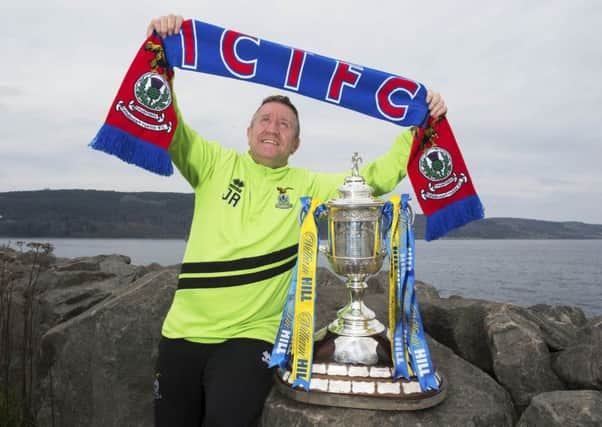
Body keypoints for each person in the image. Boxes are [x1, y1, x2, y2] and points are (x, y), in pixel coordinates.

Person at [148, 14, 447, 427]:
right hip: (182, 330)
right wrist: (161, 60)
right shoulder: (212, 163)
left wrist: (419, 127)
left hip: (250, 335)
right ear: (249, 130)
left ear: (296, 142)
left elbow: (372, 179)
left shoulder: (309, 184)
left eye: (285, 124)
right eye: (266, 120)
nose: (274, 128)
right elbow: (170, 126)